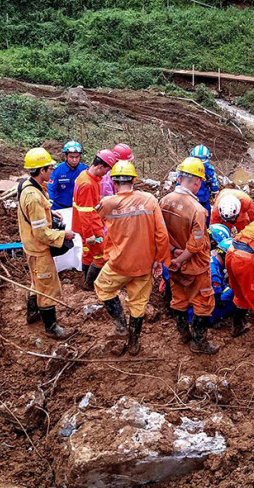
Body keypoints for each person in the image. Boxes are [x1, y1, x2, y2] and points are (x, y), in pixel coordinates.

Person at [94, 160, 171, 355]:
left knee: (103, 287)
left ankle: (120, 325)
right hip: (145, 264)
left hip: (118, 264)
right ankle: (134, 341)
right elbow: (162, 235)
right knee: (138, 303)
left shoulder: (107, 204)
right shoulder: (150, 200)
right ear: (134, 180)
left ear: (113, 181)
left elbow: (99, 217)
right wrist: (159, 260)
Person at [161, 157, 218, 354]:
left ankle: (183, 334)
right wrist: (181, 258)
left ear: (179, 179)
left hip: (173, 264)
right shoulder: (198, 210)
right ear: (197, 182)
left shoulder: (164, 201)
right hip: (195, 267)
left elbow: (160, 234)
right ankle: (199, 343)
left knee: (179, 300)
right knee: (203, 303)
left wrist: (173, 256)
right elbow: (195, 245)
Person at [16, 148, 75, 338]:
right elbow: (41, 233)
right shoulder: (33, 197)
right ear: (42, 170)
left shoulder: (27, 185)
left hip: (30, 245)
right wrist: (63, 235)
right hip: (39, 248)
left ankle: (32, 313)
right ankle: (51, 328)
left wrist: (49, 212)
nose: (52, 171)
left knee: (36, 281)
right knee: (46, 286)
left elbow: (37, 215)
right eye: (50, 168)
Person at [74, 149, 119, 290]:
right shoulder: (87, 184)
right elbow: (86, 212)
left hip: (82, 226)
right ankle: (90, 286)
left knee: (88, 254)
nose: (106, 174)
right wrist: (90, 235)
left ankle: (86, 281)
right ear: (100, 167)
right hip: (91, 227)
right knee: (101, 256)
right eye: (106, 171)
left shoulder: (84, 176)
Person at [208, 224, 244, 336]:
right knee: (237, 292)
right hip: (204, 311)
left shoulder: (211, 261)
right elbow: (218, 299)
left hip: (193, 303)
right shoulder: (215, 275)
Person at [48, 140, 86, 210]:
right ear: (65, 157)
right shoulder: (57, 170)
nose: (74, 160)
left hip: (78, 207)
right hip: (59, 207)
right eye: (71, 157)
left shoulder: (84, 170)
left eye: (77, 157)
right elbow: (50, 190)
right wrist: (49, 206)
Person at [189, 145, 220, 219]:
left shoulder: (208, 170)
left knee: (206, 218)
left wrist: (215, 196)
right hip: (189, 200)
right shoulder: (187, 168)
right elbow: (179, 183)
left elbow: (213, 184)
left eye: (202, 160)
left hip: (203, 200)